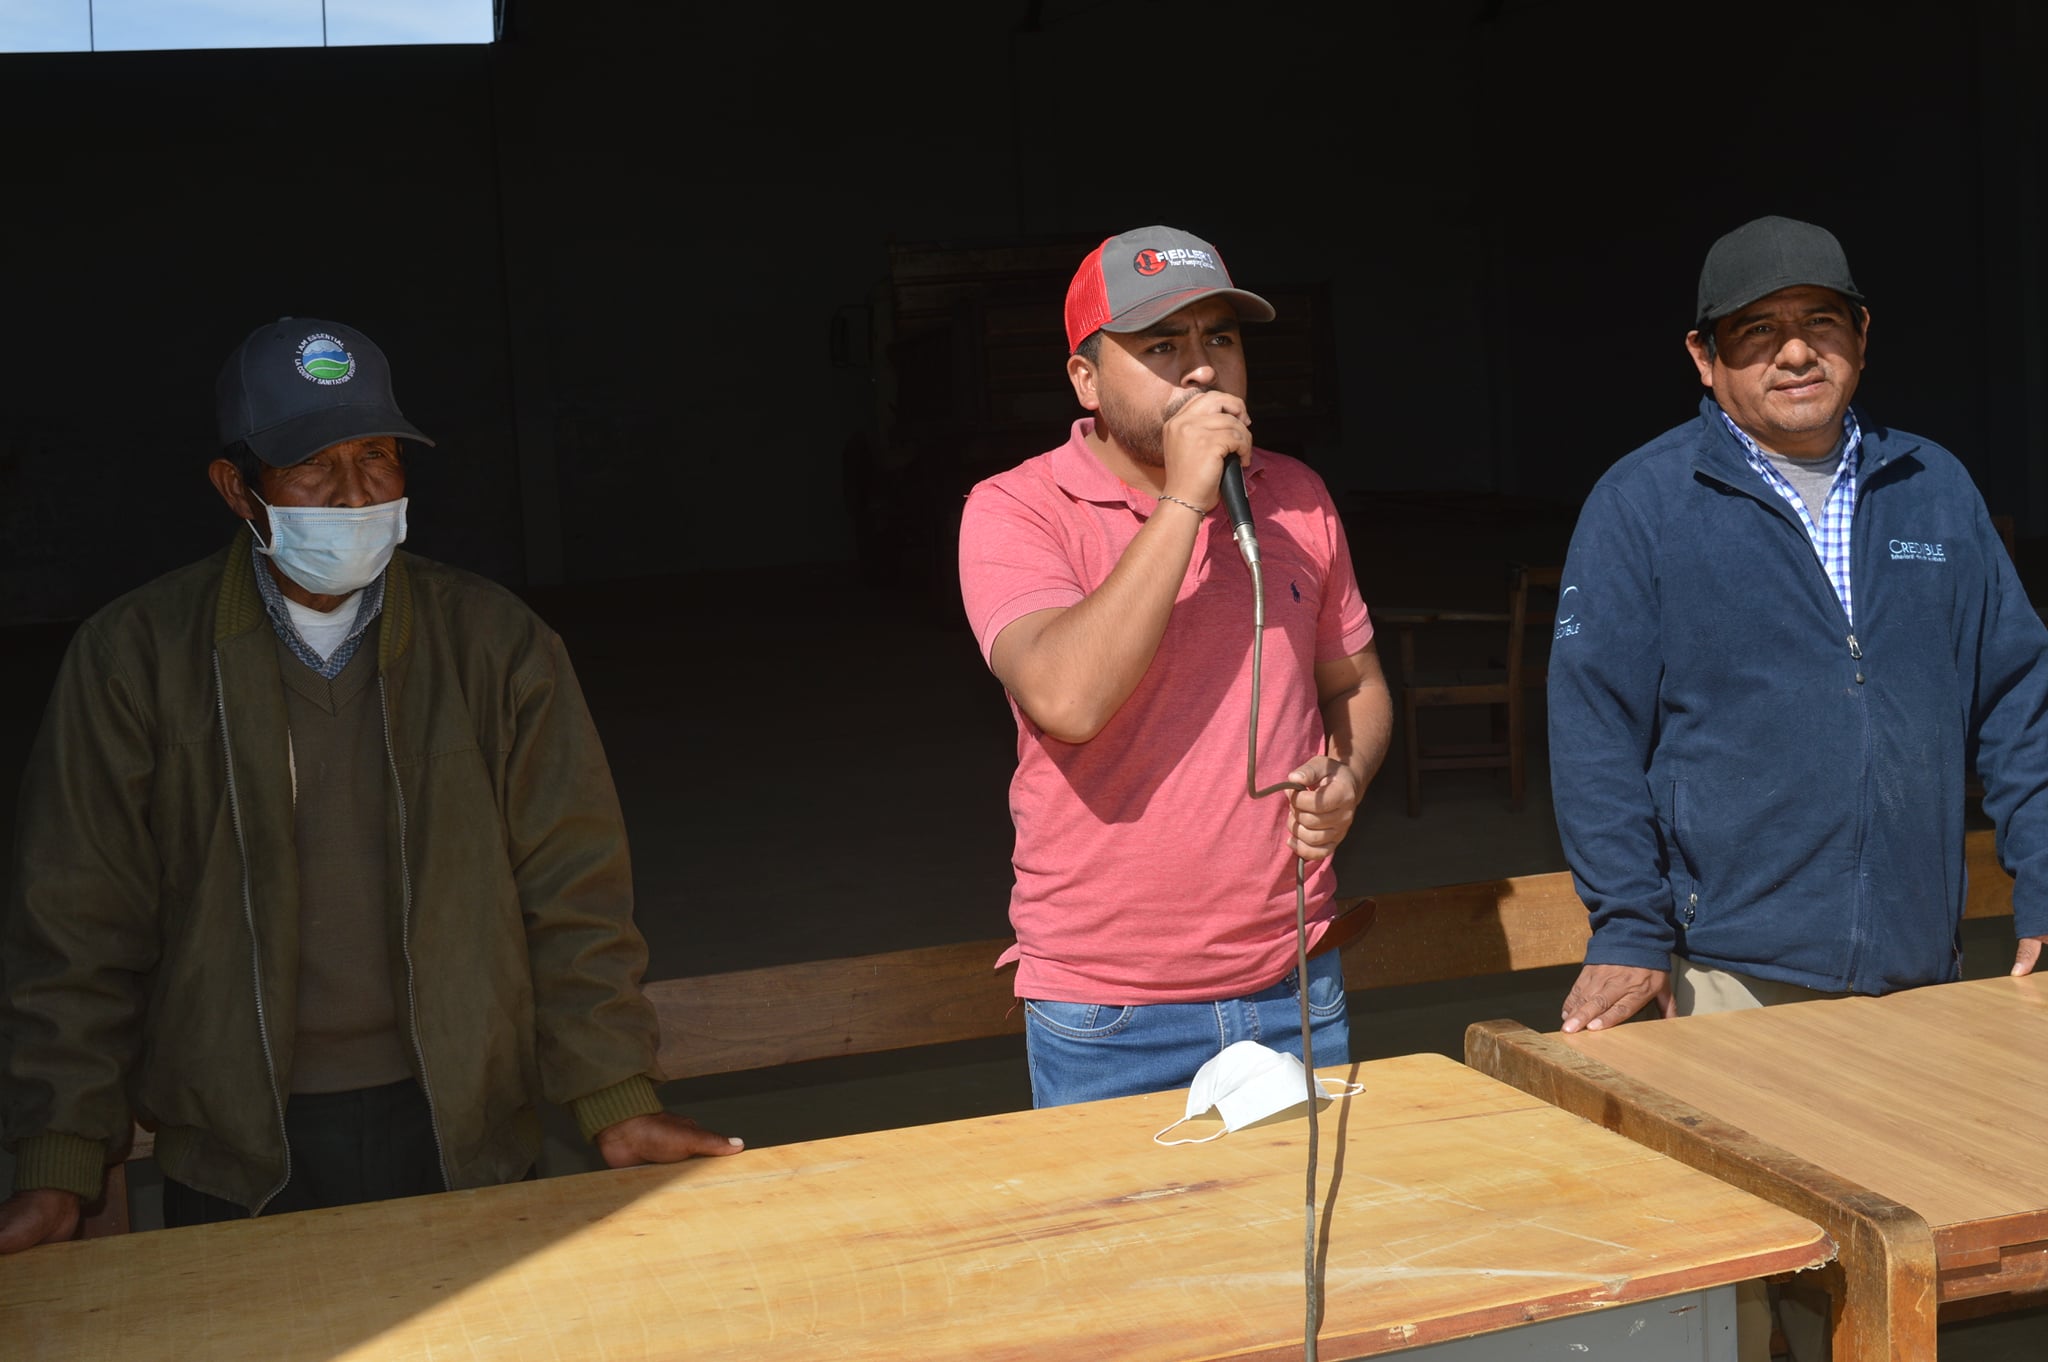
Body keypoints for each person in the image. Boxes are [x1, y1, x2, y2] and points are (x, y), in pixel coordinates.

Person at [0, 317, 740, 1253]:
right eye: (312, 464)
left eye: (378, 456)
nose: (355, 494)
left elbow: (573, 887)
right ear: (238, 488)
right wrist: (60, 1159)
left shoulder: (495, 642)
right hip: (235, 1150)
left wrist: (612, 1097)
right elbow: (74, 923)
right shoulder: (134, 657)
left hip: (462, 1125)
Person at [1549, 215, 2048, 1037]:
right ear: (1704, 359)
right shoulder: (1643, 503)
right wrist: (1629, 925)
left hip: (1920, 967)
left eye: (1820, 321)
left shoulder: (1932, 485)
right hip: (1727, 974)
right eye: (1757, 331)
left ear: (1861, 335)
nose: (1795, 353)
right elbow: (1593, 731)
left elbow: (2018, 704)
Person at [956, 225, 1392, 1108]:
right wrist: (1186, 499)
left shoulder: (1296, 494)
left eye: (1219, 339)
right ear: (1084, 377)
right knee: (1130, 1243)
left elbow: (1357, 683)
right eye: (1161, 345)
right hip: (1109, 1007)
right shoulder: (1014, 510)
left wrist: (1347, 774)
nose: (1201, 370)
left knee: (1312, 1242)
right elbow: (1067, 698)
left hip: (1295, 978)